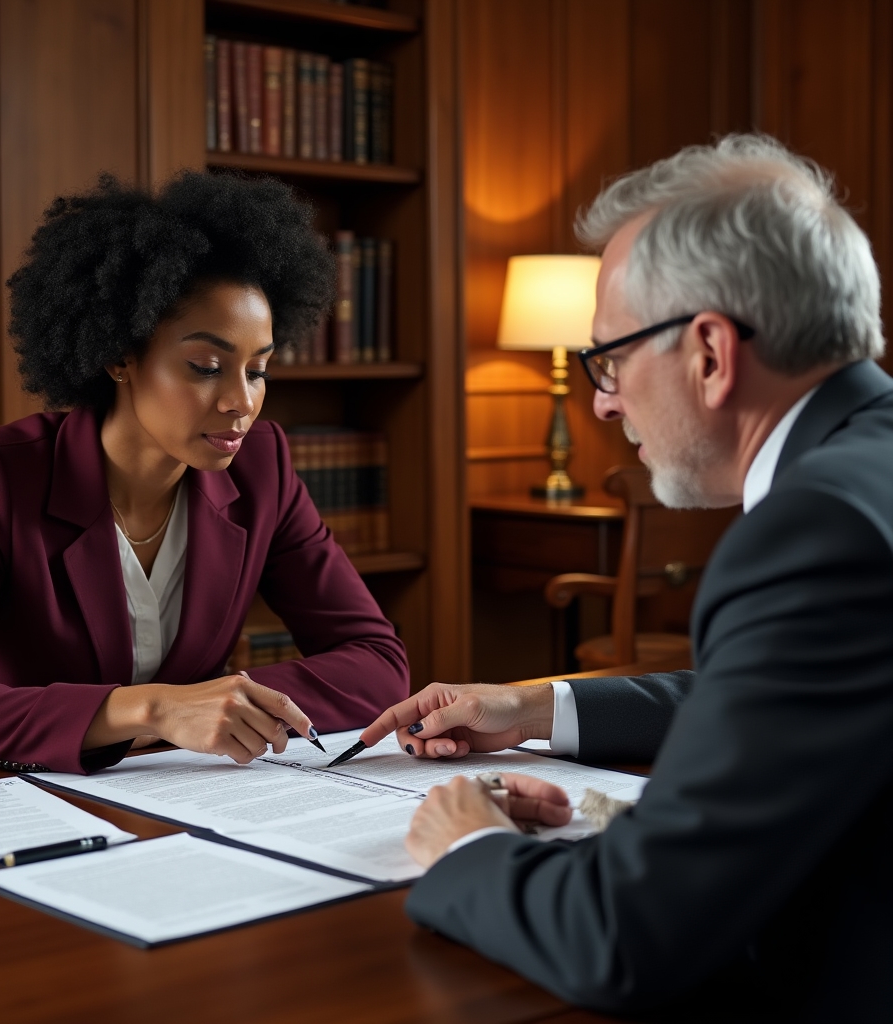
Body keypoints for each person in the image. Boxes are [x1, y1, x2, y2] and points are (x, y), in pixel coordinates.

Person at [361, 135, 893, 1021]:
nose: (604, 400)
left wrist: (471, 848)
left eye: (609, 358)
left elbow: (625, 939)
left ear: (711, 354)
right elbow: (794, 697)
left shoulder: (816, 529)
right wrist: (538, 709)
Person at [0, 172, 409, 775]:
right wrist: (156, 710)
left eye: (258, 370)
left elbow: (376, 660)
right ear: (119, 356)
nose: (241, 401)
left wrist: (230, 705)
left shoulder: (263, 467)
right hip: (26, 800)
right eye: (206, 366)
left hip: (185, 798)